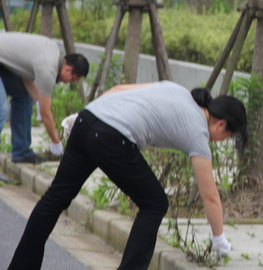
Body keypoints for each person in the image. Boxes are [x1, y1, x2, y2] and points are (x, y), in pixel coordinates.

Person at [8, 81, 248, 270]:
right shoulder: (198, 132)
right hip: (112, 137)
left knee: (55, 197)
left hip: (87, 118)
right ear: (221, 124)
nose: (220, 141)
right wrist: (219, 238)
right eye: (227, 137)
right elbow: (210, 196)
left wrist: (84, 115)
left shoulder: (178, 90)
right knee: (155, 203)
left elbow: (119, 89)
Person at [0, 32, 89, 163]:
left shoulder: (52, 51)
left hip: (3, 62)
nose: (70, 82)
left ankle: (21, 153)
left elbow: (25, 75)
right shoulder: (48, 69)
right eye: (73, 79)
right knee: (2, 110)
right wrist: (56, 142)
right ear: (67, 69)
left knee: (24, 98)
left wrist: (38, 100)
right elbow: (45, 113)